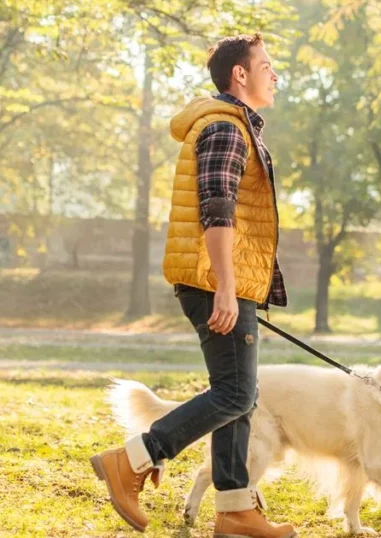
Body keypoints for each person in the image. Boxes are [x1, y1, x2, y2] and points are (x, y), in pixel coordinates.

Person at [90, 33, 296, 538]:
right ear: (239, 74)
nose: (274, 74)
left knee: (239, 397)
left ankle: (234, 510)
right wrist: (227, 286)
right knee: (236, 393)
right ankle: (133, 458)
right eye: (266, 65)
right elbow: (217, 206)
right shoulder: (226, 127)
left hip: (227, 282)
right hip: (214, 282)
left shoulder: (236, 125)